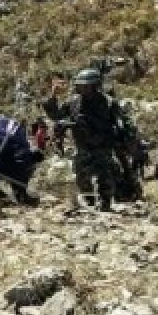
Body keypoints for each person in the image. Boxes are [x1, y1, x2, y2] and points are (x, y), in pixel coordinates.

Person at [43, 69, 121, 211]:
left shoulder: (109, 103)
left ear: (95, 85)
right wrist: (53, 96)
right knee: (81, 176)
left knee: (105, 177)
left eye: (87, 86)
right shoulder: (74, 102)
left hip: (102, 147)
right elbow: (56, 116)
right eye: (81, 85)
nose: (83, 88)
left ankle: (105, 204)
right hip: (83, 146)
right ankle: (89, 201)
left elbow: (118, 124)